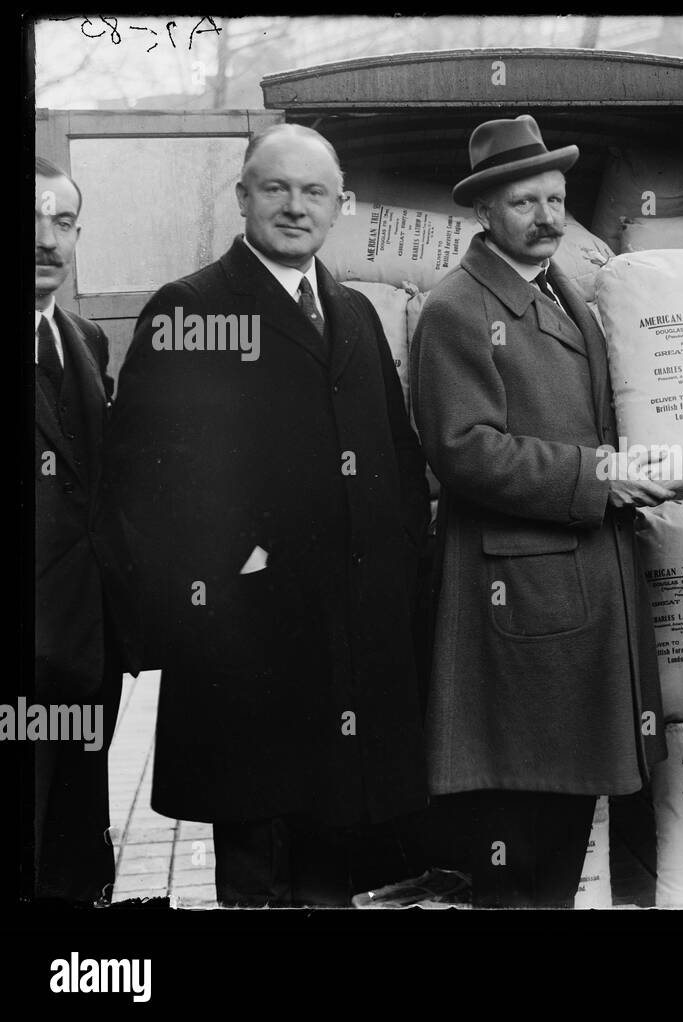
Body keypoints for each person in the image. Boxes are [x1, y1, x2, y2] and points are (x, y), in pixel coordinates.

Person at [94, 124, 430, 906]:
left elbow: (401, 458)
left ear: (338, 206)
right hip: (249, 656)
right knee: (260, 863)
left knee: (333, 863)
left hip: (349, 643)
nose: (294, 206)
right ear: (242, 197)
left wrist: (398, 559)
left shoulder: (352, 312)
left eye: (314, 192)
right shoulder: (193, 308)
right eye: (275, 187)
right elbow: (141, 488)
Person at [409, 114, 670, 908]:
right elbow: (464, 450)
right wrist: (602, 477)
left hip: (578, 593)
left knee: (564, 814)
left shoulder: (566, 294)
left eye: (557, 199)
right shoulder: (457, 308)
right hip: (521, 604)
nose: (550, 217)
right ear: (484, 212)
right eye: (526, 202)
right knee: (519, 827)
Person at [32, 157, 123, 902]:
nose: (46, 240)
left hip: (86, 646)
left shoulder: (86, 340)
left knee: (75, 840)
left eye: (62, 222)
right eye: (31, 219)